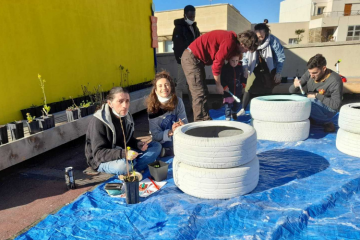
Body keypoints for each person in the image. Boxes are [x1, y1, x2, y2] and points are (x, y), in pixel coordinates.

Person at [181, 30, 258, 121]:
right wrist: (218, 85)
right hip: (191, 58)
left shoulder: (232, 42)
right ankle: (200, 123)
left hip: (198, 60)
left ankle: (205, 119)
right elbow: (217, 64)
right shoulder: (229, 42)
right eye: (247, 49)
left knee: (204, 92)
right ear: (242, 44)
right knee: (199, 93)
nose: (245, 52)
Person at [85, 87, 162, 175]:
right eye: (120, 101)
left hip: (123, 153)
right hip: (102, 161)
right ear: (110, 103)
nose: (125, 105)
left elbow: (127, 140)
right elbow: (98, 154)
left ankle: (132, 167)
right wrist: (123, 154)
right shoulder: (99, 121)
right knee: (123, 166)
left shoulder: (126, 116)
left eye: (127, 101)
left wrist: (137, 144)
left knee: (156, 146)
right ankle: (133, 167)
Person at [238, 23, 285, 116]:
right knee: (249, 87)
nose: (258, 39)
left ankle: (266, 112)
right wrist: (245, 68)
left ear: (266, 34)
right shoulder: (252, 39)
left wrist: (278, 73)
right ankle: (243, 109)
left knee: (268, 88)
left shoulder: (273, 40)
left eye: (261, 36)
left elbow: (280, 57)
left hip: (269, 67)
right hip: (254, 66)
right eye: (257, 36)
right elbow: (245, 55)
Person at [289, 54, 343, 132]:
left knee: (310, 102)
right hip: (311, 102)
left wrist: (317, 96)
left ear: (324, 68)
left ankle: (326, 122)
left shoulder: (335, 80)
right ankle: (312, 118)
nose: (311, 76)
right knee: (295, 97)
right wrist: (295, 85)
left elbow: (335, 105)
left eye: (314, 73)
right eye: (310, 72)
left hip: (328, 109)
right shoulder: (310, 73)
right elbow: (291, 91)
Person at [147, 71, 188, 156]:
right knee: (155, 147)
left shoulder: (178, 101)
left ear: (171, 87)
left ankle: (169, 151)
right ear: (156, 90)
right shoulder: (152, 108)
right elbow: (155, 135)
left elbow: (185, 123)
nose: (164, 88)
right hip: (162, 140)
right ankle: (170, 151)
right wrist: (170, 131)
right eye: (160, 86)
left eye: (166, 84)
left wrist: (181, 125)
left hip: (177, 136)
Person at [172, 5, 200, 102]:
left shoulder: (195, 28)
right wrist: (180, 59)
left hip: (194, 60)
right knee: (181, 84)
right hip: (183, 60)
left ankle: (194, 107)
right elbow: (177, 45)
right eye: (190, 16)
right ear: (185, 15)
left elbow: (198, 43)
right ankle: (179, 106)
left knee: (192, 84)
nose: (192, 18)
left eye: (193, 16)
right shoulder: (179, 28)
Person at [220, 53, 245, 121]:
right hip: (228, 91)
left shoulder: (240, 68)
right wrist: (224, 86)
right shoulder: (225, 68)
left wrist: (243, 83)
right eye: (232, 60)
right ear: (228, 60)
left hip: (237, 91)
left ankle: (233, 112)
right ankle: (228, 117)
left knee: (237, 104)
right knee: (228, 105)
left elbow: (242, 77)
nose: (235, 63)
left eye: (236, 60)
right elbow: (222, 79)